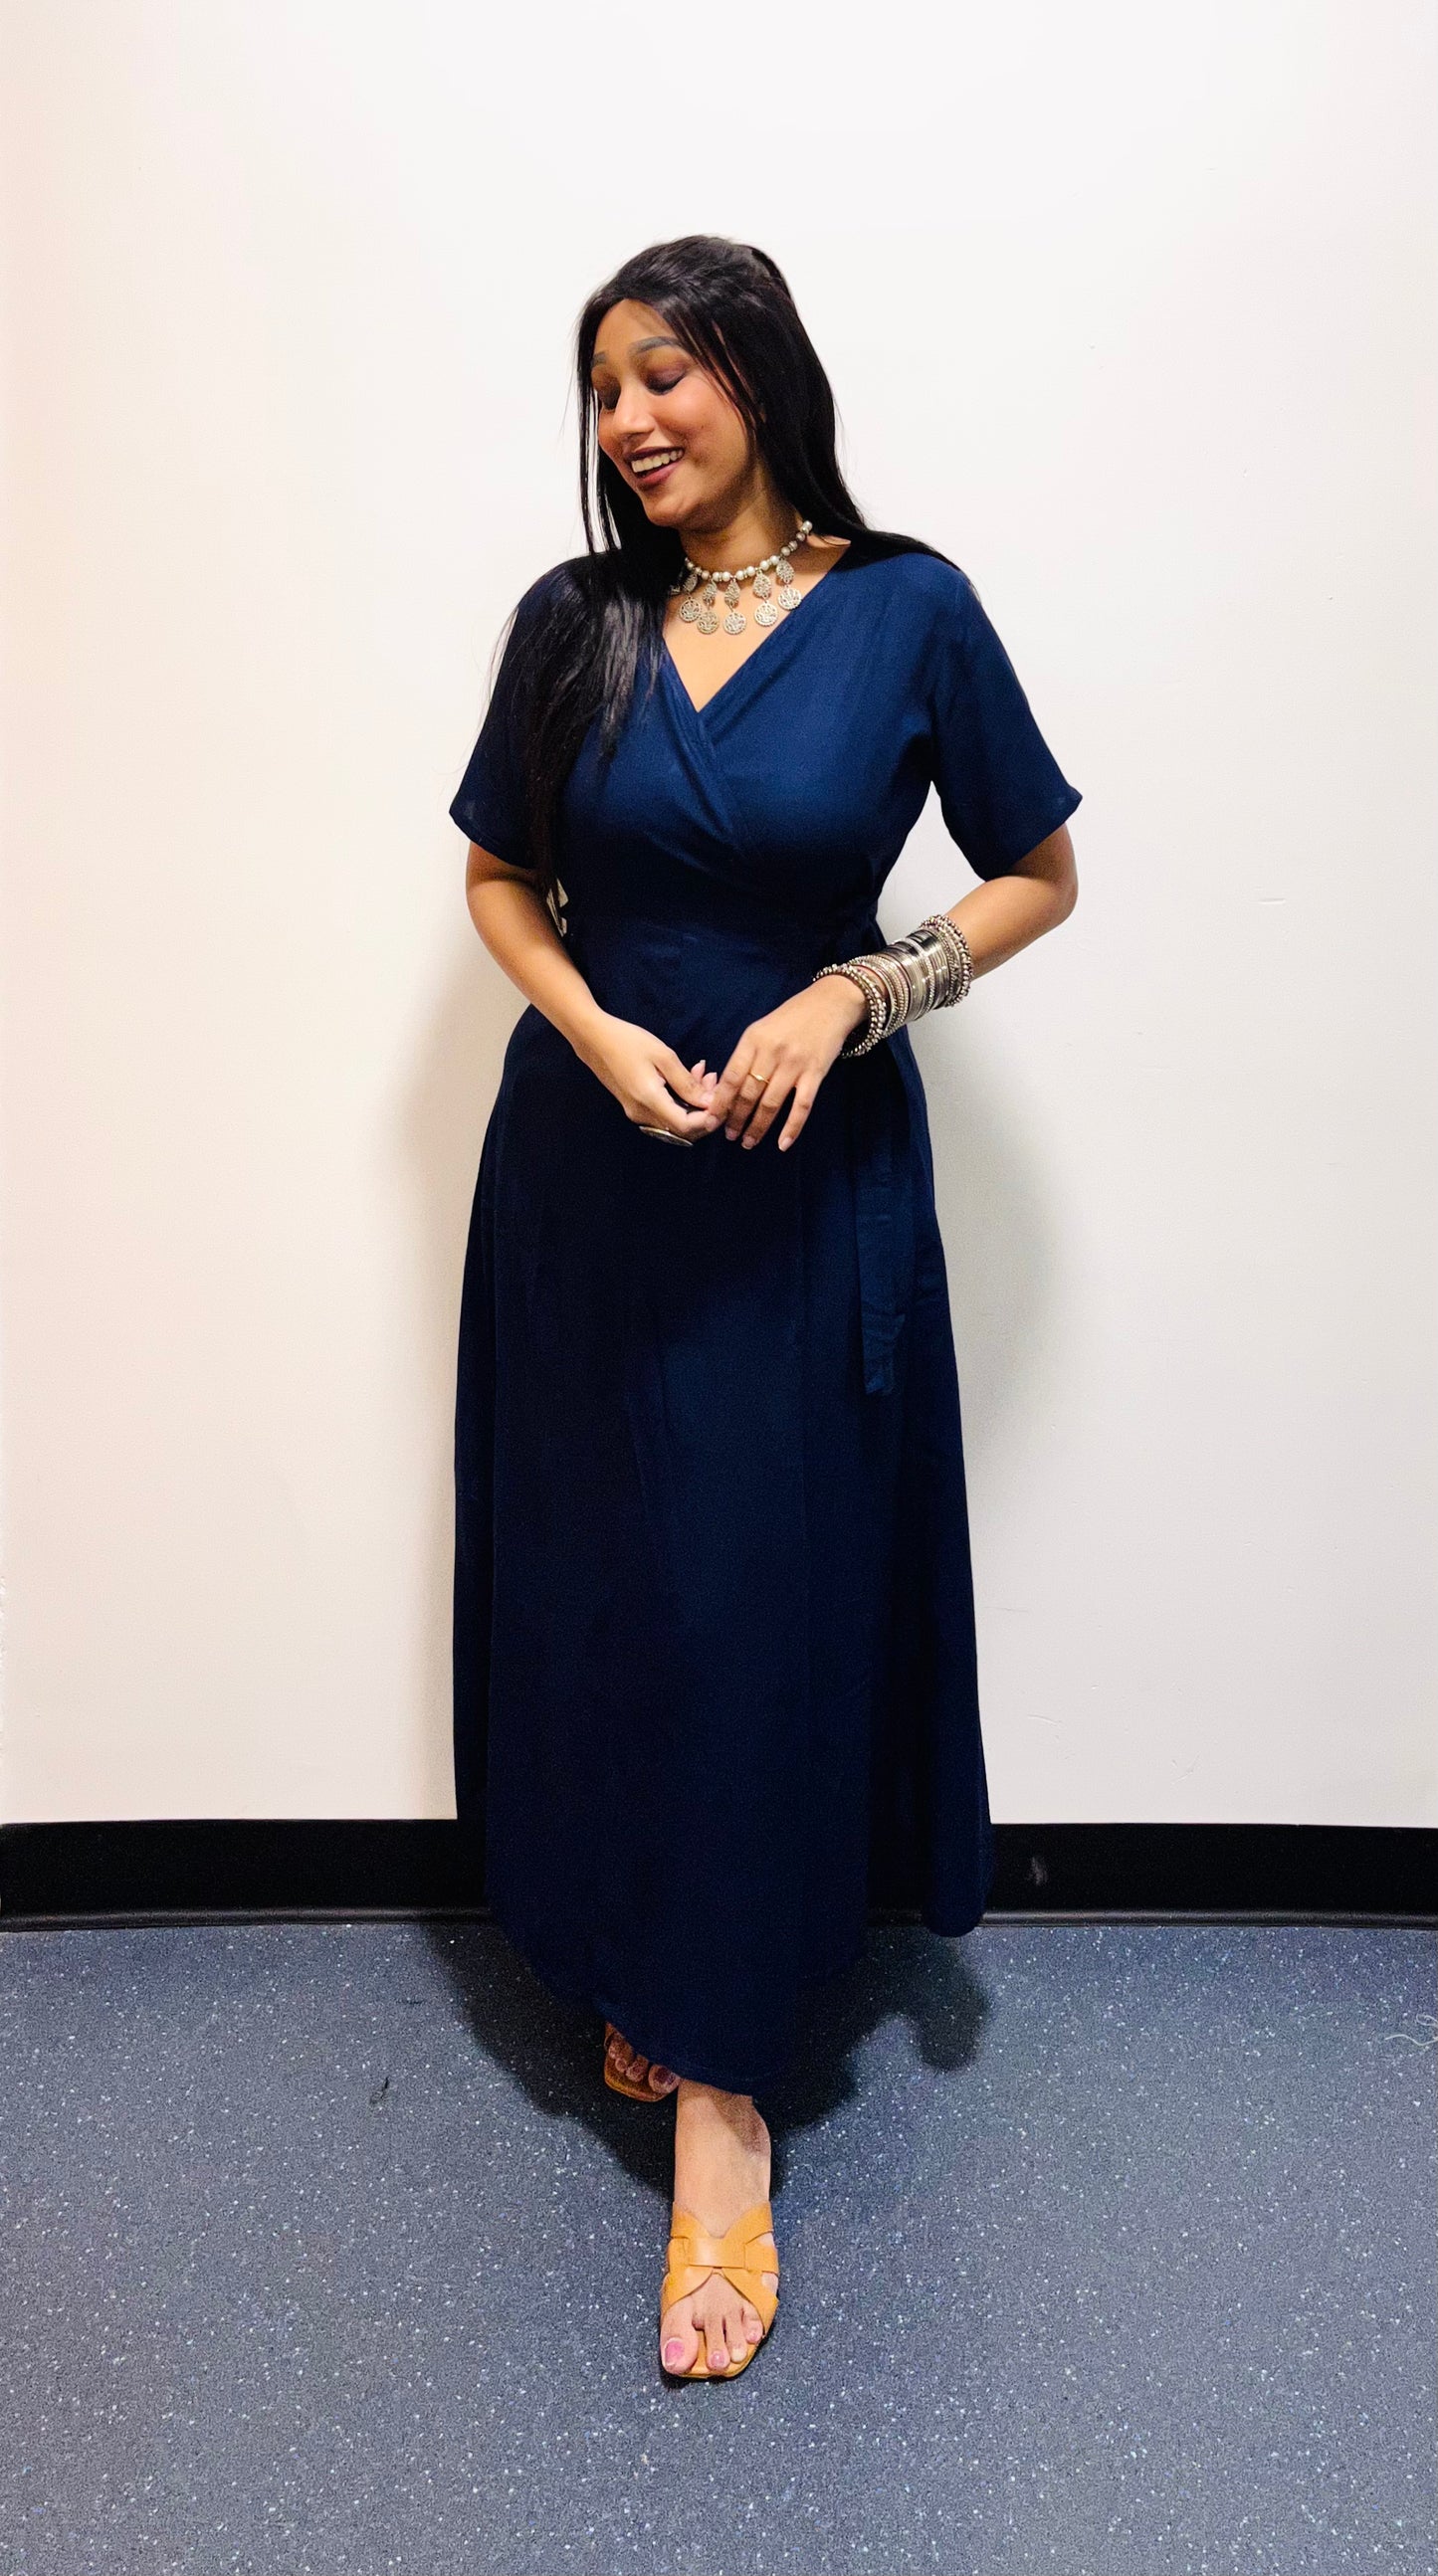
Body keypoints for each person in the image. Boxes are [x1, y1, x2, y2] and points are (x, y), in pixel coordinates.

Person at [449, 234, 1081, 2383]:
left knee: (753, 1593)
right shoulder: (574, 623)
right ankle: (637, 1948)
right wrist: (591, 1029)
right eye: (603, 389)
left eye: (665, 374)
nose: (630, 420)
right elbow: (498, 879)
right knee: (612, 1578)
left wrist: (858, 988)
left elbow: (1038, 872)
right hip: (590, 1173)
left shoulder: (909, 608)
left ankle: (722, 2102)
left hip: (801, 1190)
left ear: (757, 373)